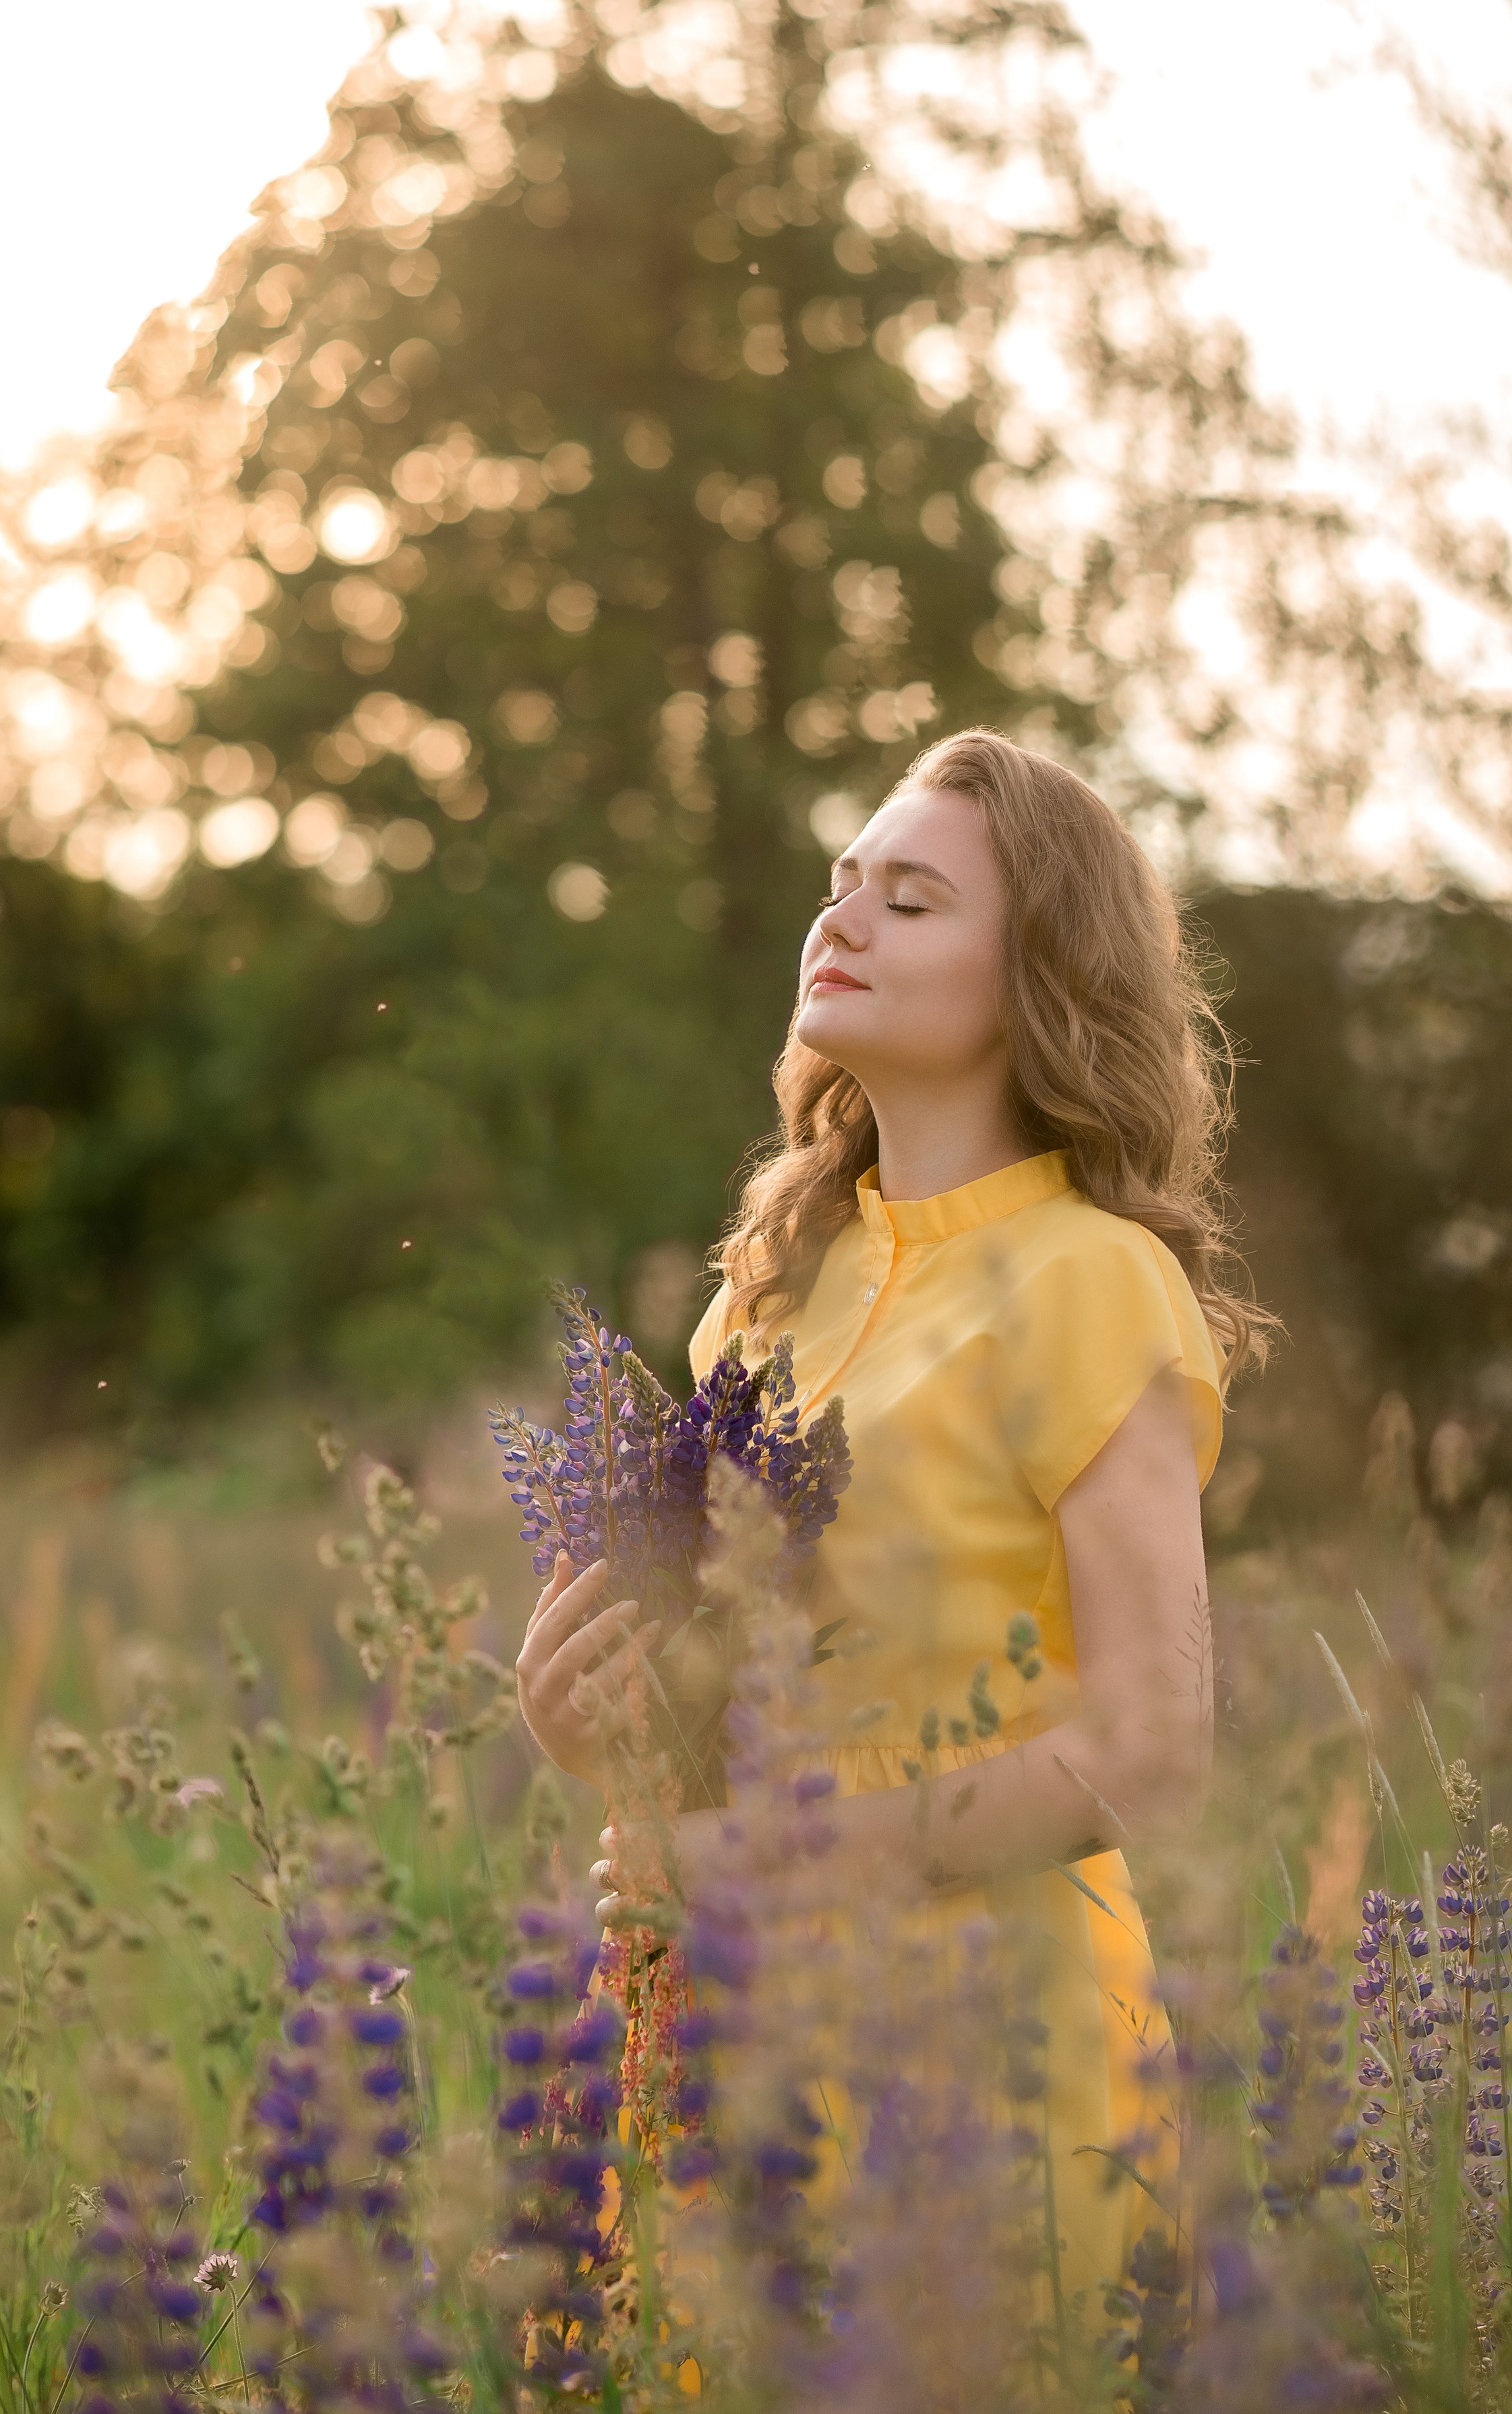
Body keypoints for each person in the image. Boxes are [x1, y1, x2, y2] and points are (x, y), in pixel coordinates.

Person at [515, 727, 1267, 2304]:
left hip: (988, 2025)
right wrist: (600, 1729)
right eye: (838, 883)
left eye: (909, 900)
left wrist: (779, 1860)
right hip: (719, 2011)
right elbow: (722, 1707)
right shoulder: (767, 1289)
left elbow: (1147, 1747)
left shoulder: (1089, 1276)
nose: (840, 918)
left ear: (1037, 978)